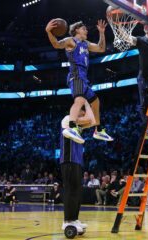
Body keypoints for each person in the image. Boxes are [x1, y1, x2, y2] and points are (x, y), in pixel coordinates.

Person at [46, 19, 113, 144]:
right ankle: (71, 127)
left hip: (84, 78)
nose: (86, 30)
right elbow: (56, 44)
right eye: (84, 29)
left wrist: (102, 33)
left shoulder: (85, 43)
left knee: (95, 101)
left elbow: (101, 48)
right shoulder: (71, 41)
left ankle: (98, 130)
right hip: (76, 76)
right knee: (80, 100)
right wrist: (49, 31)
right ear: (77, 30)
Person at [59, 102, 94, 232]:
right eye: (82, 111)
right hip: (68, 160)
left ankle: (74, 219)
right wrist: (85, 103)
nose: (84, 115)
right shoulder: (68, 119)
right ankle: (67, 220)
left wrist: (87, 105)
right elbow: (90, 119)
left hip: (77, 161)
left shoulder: (78, 124)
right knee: (70, 190)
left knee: (77, 191)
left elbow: (92, 121)